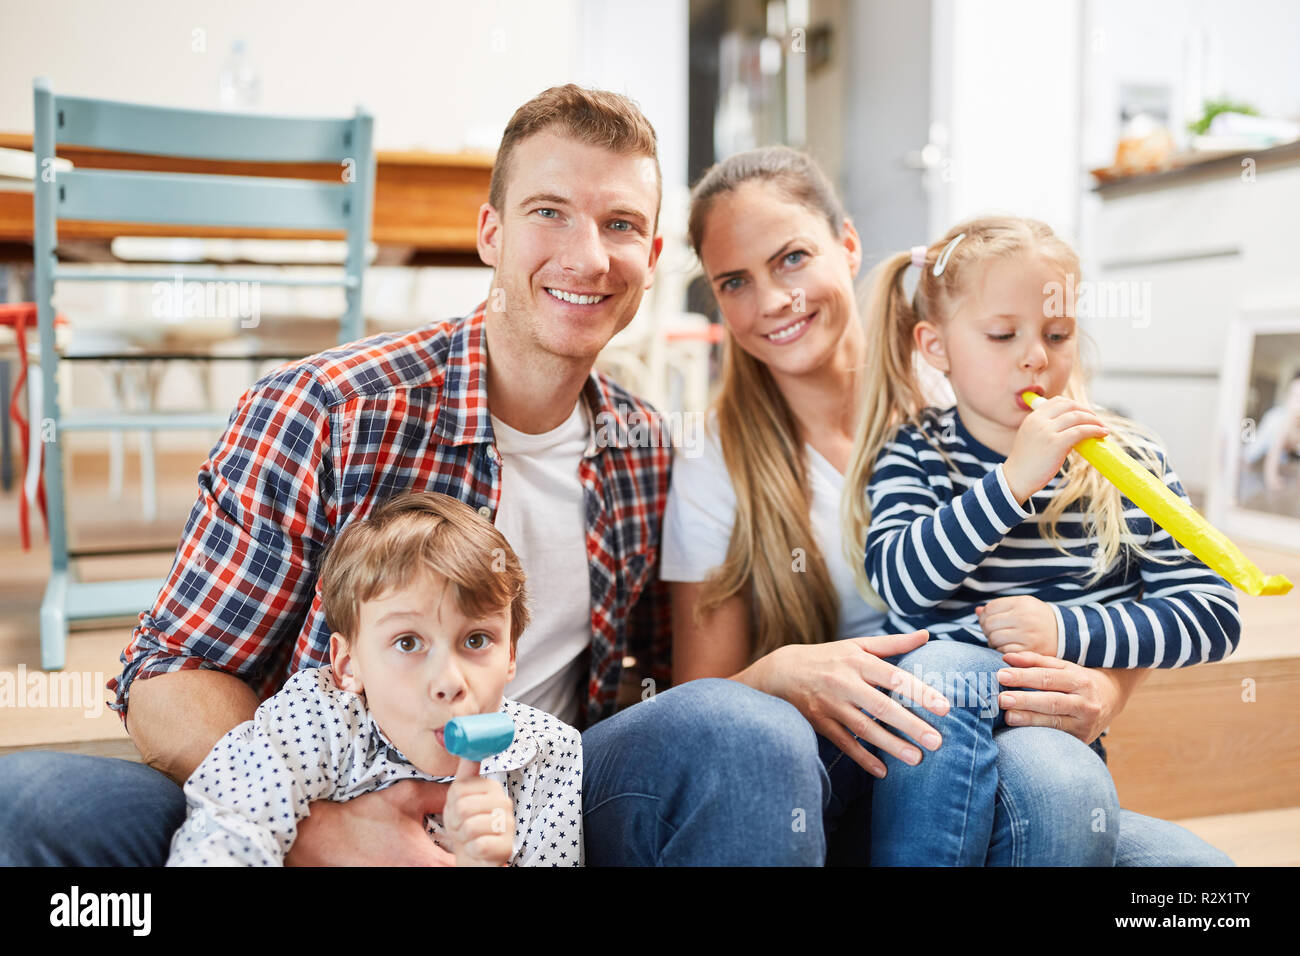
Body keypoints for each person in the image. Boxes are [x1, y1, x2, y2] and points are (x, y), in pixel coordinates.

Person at [0, 86, 832, 866]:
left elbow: (666, 709)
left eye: (620, 226)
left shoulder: (646, 449)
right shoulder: (327, 410)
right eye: (550, 213)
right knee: (31, 803)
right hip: (301, 794)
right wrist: (329, 834)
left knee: (746, 735)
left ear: (651, 259)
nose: (589, 256)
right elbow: (166, 678)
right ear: (491, 234)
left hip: (536, 809)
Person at [664, 145, 1233, 865]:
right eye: (734, 281)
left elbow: (1187, 600)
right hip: (875, 744)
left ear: (846, 245)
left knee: (1198, 875)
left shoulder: (976, 384)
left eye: (792, 258)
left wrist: (1101, 685)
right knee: (965, 703)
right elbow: (705, 702)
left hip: (1031, 731)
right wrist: (782, 671)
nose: (773, 300)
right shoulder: (739, 452)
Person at [845, 215, 1241, 862]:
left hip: (1055, 735)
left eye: (1058, 335)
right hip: (933, 746)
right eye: (1003, 334)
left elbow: (1211, 614)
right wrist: (1010, 483)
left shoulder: (1128, 459)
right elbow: (903, 587)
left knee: (1201, 875)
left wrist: (1064, 631)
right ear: (935, 345)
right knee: (939, 669)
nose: (1036, 355)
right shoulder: (915, 451)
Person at [167, 491, 582, 866]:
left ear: (510, 654)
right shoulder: (313, 723)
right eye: (407, 643)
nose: (449, 681)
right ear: (348, 665)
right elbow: (222, 836)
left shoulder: (548, 758)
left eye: (476, 639)